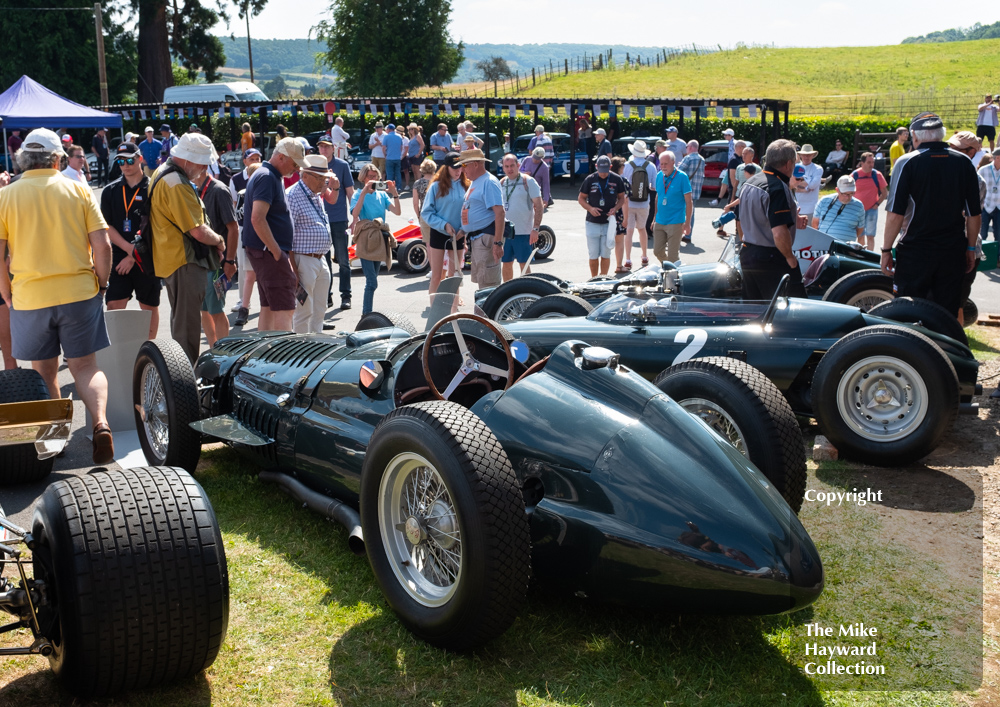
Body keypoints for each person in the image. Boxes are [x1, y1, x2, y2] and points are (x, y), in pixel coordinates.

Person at [0, 128, 115, 463]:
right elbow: (102, 246)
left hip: (29, 297)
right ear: (57, 158)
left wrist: (6, 295)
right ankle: (101, 423)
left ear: (23, 158)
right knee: (85, 366)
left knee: (44, 373)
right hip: (79, 292)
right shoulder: (78, 189)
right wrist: (102, 284)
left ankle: (55, 438)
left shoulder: (6, 196)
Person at [883, 112, 981, 321]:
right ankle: (943, 352)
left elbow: (895, 215)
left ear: (915, 136)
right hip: (952, 251)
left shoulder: (906, 162)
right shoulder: (964, 162)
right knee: (946, 316)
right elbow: (974, 214)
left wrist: (885, 250)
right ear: (941, 135)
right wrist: (971, 248)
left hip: (916, 251)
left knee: (906, 313)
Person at [149, 133, 227, 363]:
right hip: (184, 261)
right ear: (188, 159)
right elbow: (198, 231)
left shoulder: (161, 172)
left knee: (181, 324)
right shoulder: (177, 183)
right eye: (202, 163)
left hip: (171, 259)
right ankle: (186, 385)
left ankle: (180, 379)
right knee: (187, 331)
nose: (204, 168)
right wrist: (220, 241)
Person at [242, 137, 310, 333]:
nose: (297, 168)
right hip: (268, 252)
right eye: (295, 163)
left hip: (265, 252)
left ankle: (267, 356)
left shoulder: (268, 175)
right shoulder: (267, 177)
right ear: (281, 157)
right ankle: (282, 358)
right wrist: (278, 253)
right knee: (284, 308)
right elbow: (257, 218)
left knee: (270, 307)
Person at [101, 143, 160, 341]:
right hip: (119, 256)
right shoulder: (110, 191)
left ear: (140, 159)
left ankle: (150, 350)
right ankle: (117, 351)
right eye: (120, 161)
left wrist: (134, 256)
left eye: (129, 160)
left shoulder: (154, 188)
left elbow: (156, 226)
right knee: (114, 305)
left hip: (147, 256)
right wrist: (129, 251)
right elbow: (106, 225)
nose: (125, 165)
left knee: (149, 306)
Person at [737, 139, 808, 300]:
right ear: (789, 164)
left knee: (755, 309)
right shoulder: (777, 187)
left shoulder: (750, 182)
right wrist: (790, 257)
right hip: (770, 257)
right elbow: (778, 232)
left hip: (747, 251)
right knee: (791, 308)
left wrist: (792, 219)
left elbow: (741, 220)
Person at [287, 155, 335, 334]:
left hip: (320, 259)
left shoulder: (314, 194)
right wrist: (292, 267)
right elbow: (287, 236)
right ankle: (302, 353)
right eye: (320, 178)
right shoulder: (292, 195)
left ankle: (318, 346)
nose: (324, 182)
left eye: (325, 178)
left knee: (320, 309)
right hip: (304, 259)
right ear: (305, 175)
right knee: (304, 311)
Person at [196, 167, 239, 347]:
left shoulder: (219, 190)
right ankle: (214, 350)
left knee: (216, 311)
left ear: (202, 166)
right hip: (199, 261)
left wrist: (230, 260)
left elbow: (233, 228)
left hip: (217, 262)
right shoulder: (191, 189)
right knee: (204, 311)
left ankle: (223, 353)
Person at [350, 164, 401, 314]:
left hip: (379, 238)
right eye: (370, 177)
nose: (373, 180)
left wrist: (395, 193)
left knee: (373, 282)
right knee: (371, 282)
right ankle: (366, 315)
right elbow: (355, 214)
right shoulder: (358, 193)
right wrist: (364, 192)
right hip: (366, 238)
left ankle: (367, 314)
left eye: (375, 177)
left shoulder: (382, 195)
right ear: (363, 178)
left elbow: (397, 212)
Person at [421, 152, 469, 301]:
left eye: (460, 167)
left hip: (459, 235)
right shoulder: (436, 186)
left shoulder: (466, 185)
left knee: (454, 274)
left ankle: (453, 304)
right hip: (439, 232)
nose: (457, 170)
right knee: (436, 274)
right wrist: (444, 225)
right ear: (446, 167)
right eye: (454, 167)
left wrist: (464, 229)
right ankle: (434, 307)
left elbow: (470, 211)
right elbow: (426, 212)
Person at [456, 148, 505, 287]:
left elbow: (500, 213)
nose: (462, 169)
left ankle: (489, 309)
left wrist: (498, 243)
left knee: (488, 284)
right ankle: (484, 309)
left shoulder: (489, 182)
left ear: (476, 164)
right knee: (483, 282)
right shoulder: (477, 181)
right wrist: (464, 230)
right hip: (479, 238)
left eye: (465, 165)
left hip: (487, 238)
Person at [316, 136, 353, 310]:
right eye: (321, 147)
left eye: (327, 147)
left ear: (333, 149)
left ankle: (346, 295)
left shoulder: (342, 165)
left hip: (339, 218)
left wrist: (356, 215)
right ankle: (327, 295)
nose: (324, 150)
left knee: (343, 259)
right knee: (324, 261)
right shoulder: (314, 167)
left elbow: (350, 191)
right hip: (319, 219)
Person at [228, 148, 263, 323]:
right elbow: (234, 205)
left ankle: (262, 303)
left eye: (258, 158)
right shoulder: (236, 180)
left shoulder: (267, 178)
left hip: (262, 229)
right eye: (252, 158)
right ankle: (243, 301)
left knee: (260, 269)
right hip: (244, 227)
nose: (256, 160)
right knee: (244, 267)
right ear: (245, 161)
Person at [578, 154, 626, 277]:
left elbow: (622, 198)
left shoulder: (617, 179)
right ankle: (594, 279)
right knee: (593, 254)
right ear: (596, 167)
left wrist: (615, 208)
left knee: (606, 253)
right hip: (592, 222)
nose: (603, 174)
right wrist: (590, 208)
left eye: (606, 171)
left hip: (608, 223)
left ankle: (603, 278)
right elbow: (581, 198)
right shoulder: (590, 179)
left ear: (610, 167)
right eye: (600, 170)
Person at [499, 153, 543, 282]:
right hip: (505, 233)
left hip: (523, 232)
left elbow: (539, 205)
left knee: (524, 264)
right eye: (506, 166)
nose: (509, 169)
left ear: (518, 165)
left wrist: (535, 228)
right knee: (506, 263)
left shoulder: (527, 181)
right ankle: (508, 292)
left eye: (512, 165)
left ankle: (525, 291)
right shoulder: (502, 182)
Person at [651, 151, 693, 265]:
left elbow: (689, 202)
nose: (663, 166)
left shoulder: (682, 177)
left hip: (675, 221)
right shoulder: (659, 175)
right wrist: (654, 218)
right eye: (661, 163)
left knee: (673, 256)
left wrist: (687, 223)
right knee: (657, 251)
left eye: (666, 163)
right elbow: (658, 197)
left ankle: (673, 277)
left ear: (673, 162)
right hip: (660, 220)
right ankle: (671, 268)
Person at [622, 140, 656, 269]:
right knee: (642, 229)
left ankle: (628, 259)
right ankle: (644, 256)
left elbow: (623, 185)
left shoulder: (627, 165)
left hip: (629, 203)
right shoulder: (651, 166)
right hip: (644, 203)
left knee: (629, 231)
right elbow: (654, 187)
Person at [851, 152, 888, 250]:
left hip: (872, 210)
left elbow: (885, 193)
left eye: (873, 162)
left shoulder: (877, 175)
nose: (872, 165)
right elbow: (848, 191)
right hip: (858, 210)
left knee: (870, 236)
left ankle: (870, 255)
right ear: (862, 163)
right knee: (860, 235)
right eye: (869, 162)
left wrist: (877, 204)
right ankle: (862, 255)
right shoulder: (855, 175)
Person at [811, 175, 866, 242]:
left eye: (851, 193)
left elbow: (860, 230)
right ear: (837, 190)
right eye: (845, 194)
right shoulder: (824, 201)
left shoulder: (859, 206)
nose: (847, 197)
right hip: (823, 245)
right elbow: (815, 224)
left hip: (846, 248)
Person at [678, 140, 706, 240]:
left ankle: (679, 232)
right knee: (691, 213)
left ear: (690, 147)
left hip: (685, 190)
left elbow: (678, 172)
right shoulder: (702, 159)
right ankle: (688, 234)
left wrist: (679, 164)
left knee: (681, 211)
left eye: (686, 146)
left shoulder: (688, 158)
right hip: (696, 190)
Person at [609, 156, 630, 274]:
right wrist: (626, 218)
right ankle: (619, 265)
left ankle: (604, 266)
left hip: (607, 213)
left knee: (605, 240)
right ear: (620, 167)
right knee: (619, 240)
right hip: (619, 214)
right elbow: (625, 202)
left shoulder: (607, 179)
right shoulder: (624, 181)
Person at [793, 144, 823, 220]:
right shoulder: (795, 167)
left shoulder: (817, 169)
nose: (806, 157)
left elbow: (812, 185)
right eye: (804, 155)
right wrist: (807, 187)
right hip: (795, 207)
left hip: (811, 208)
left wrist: (800, 183)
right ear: (800, 155)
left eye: (809, 155)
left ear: (812, 155)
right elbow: (792, 185)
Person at [978, 146, 1000, 242]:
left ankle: (998, 256)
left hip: (999, 207)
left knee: (999, 236)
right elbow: (975, 188)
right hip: (985, 207)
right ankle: (980, 256)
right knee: (982, 235)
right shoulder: (983, 170)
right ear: (998, 158)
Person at [412, 158, 436, 243]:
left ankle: (430, 257)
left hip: (424, 214)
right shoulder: (438, 182)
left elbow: (415, 204)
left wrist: (419, 216)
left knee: (428, 243)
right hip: (438, 214)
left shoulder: (417, 183)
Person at [382, 123, 404, 190]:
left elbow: (383, 148)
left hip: (389, 158)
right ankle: (399, 187)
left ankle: (390, 187)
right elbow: (401, 147)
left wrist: (385, 155)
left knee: (389, 174)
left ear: (388, 129)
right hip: (397, 158)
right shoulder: (399, 136)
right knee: (398, 173)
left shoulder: (386, 137)